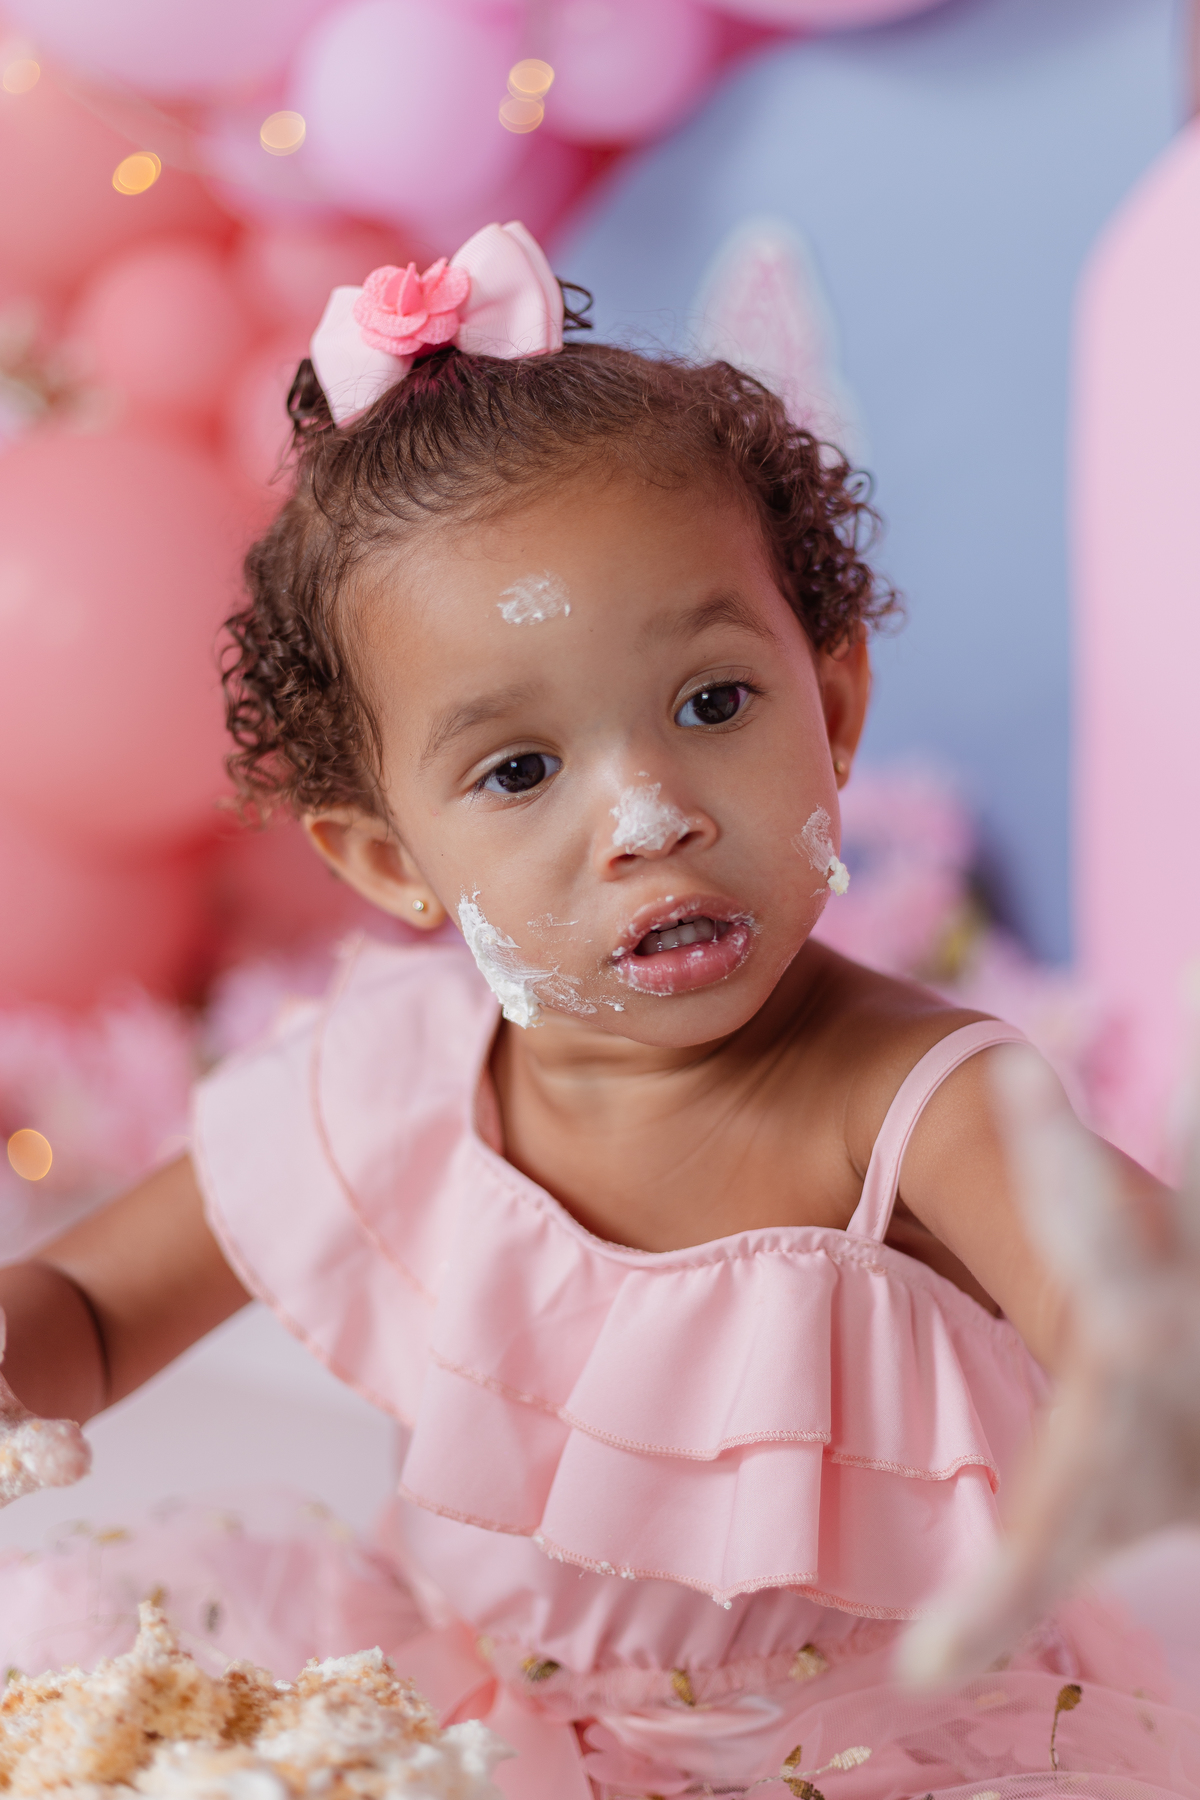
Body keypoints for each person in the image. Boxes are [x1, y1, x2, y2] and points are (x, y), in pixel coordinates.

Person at [0, 221, 1197, 1800]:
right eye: (519, 771)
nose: (648, 816)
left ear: (834, 706)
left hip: (873, 1761)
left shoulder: (921, 1104)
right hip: (470, 1728)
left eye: (712, 703)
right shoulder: (394, 1083)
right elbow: (87, 1312)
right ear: (391, 861)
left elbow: (1128, 1295)